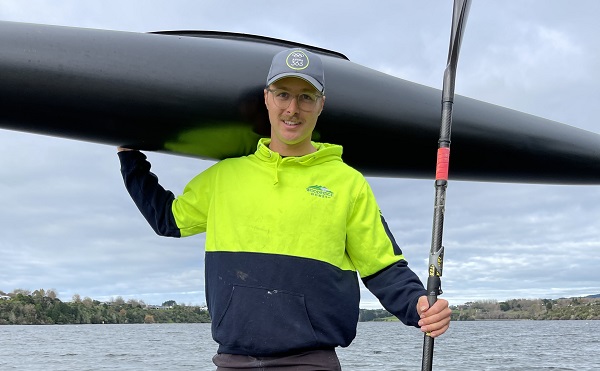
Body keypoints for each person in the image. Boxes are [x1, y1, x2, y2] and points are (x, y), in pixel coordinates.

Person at [118, 47, 451, 370]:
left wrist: (418, 304)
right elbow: (167, 219)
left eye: (306, 97)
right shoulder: (224, 177)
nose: (293, 108)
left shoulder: (347, 183)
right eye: (283, 94)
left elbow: (382, 266)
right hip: (233, 360)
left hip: (310, 361)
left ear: (321, 105)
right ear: (266, 98)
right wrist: (129, 158)